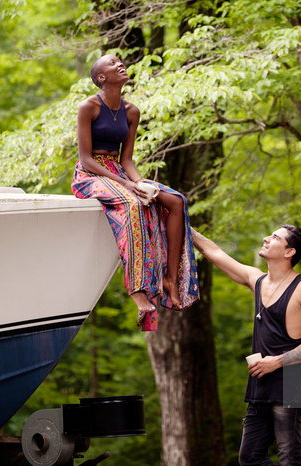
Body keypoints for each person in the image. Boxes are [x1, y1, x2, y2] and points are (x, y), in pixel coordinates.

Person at [71, 54, 199, 331]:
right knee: (132, 203)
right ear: (101, 78)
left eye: (120, 60)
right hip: (90, 175)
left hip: (118, 171)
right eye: (112, 63)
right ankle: (138, 290)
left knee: (176, 201)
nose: (120, 64)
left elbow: (126, 159)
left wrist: (142, 183)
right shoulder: (88, 106)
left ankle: (169, 280)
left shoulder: (132, 111)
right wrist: (130, 187)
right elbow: (86, 160)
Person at [191, 225, 301, 466]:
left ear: (289, 252)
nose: (266, 238)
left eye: (276, 237)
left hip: (293, 384)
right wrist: (180, 218)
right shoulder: (257, 280)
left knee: (289, 458)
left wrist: (275, 362)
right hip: (261, 382)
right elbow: (214, 252)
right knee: (250, 457)